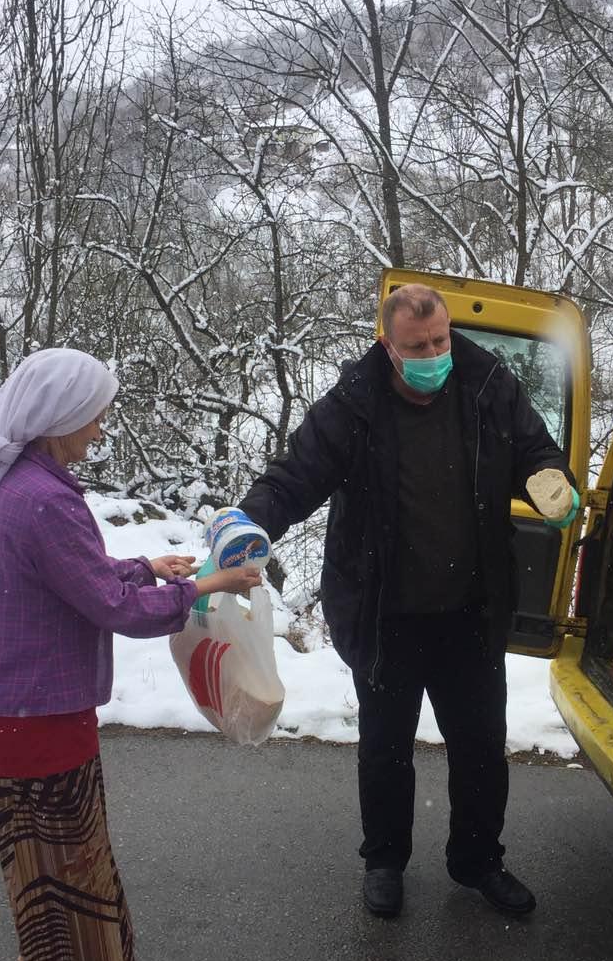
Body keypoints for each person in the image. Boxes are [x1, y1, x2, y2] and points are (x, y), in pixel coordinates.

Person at [0, 348, 261, 961]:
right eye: (93, 415)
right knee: (73, 862)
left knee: (33, 857)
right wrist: (209, 587)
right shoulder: (47, 499)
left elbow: (73, 574)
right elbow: (114, 607)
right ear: (57, 416)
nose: (100, 428)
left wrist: (145, 565)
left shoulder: (15, 478)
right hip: (37, 717)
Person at [239, 283, 576, 918]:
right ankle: (385, 861)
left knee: (480, 747)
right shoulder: (356, 403)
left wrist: (549, 477)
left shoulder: (486, 385)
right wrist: (250, 523)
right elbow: (295, 476)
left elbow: (535, 446)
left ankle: (479, 862)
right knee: (386, 748)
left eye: (441, 340)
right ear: (388, 346)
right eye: (417, 346)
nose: (434, 353)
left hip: (469, 613)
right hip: (385, 612)